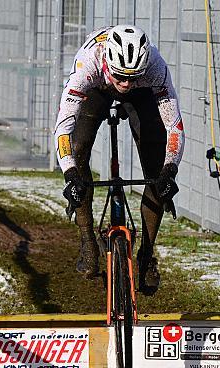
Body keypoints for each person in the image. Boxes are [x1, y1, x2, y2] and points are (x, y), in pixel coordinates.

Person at [55, 25, 184, 295]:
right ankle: (87, 238)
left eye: (132, 77)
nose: (125, 84)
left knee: (156, 162)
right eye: (120, 77)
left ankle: (147, 255)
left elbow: (174, 126)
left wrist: (169, 169)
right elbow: (63, 127)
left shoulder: (155, 68)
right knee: (78, 148)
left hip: (144, 94)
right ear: (108, 63)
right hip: (97, 89)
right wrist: (70, 174)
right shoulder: (87, 65)